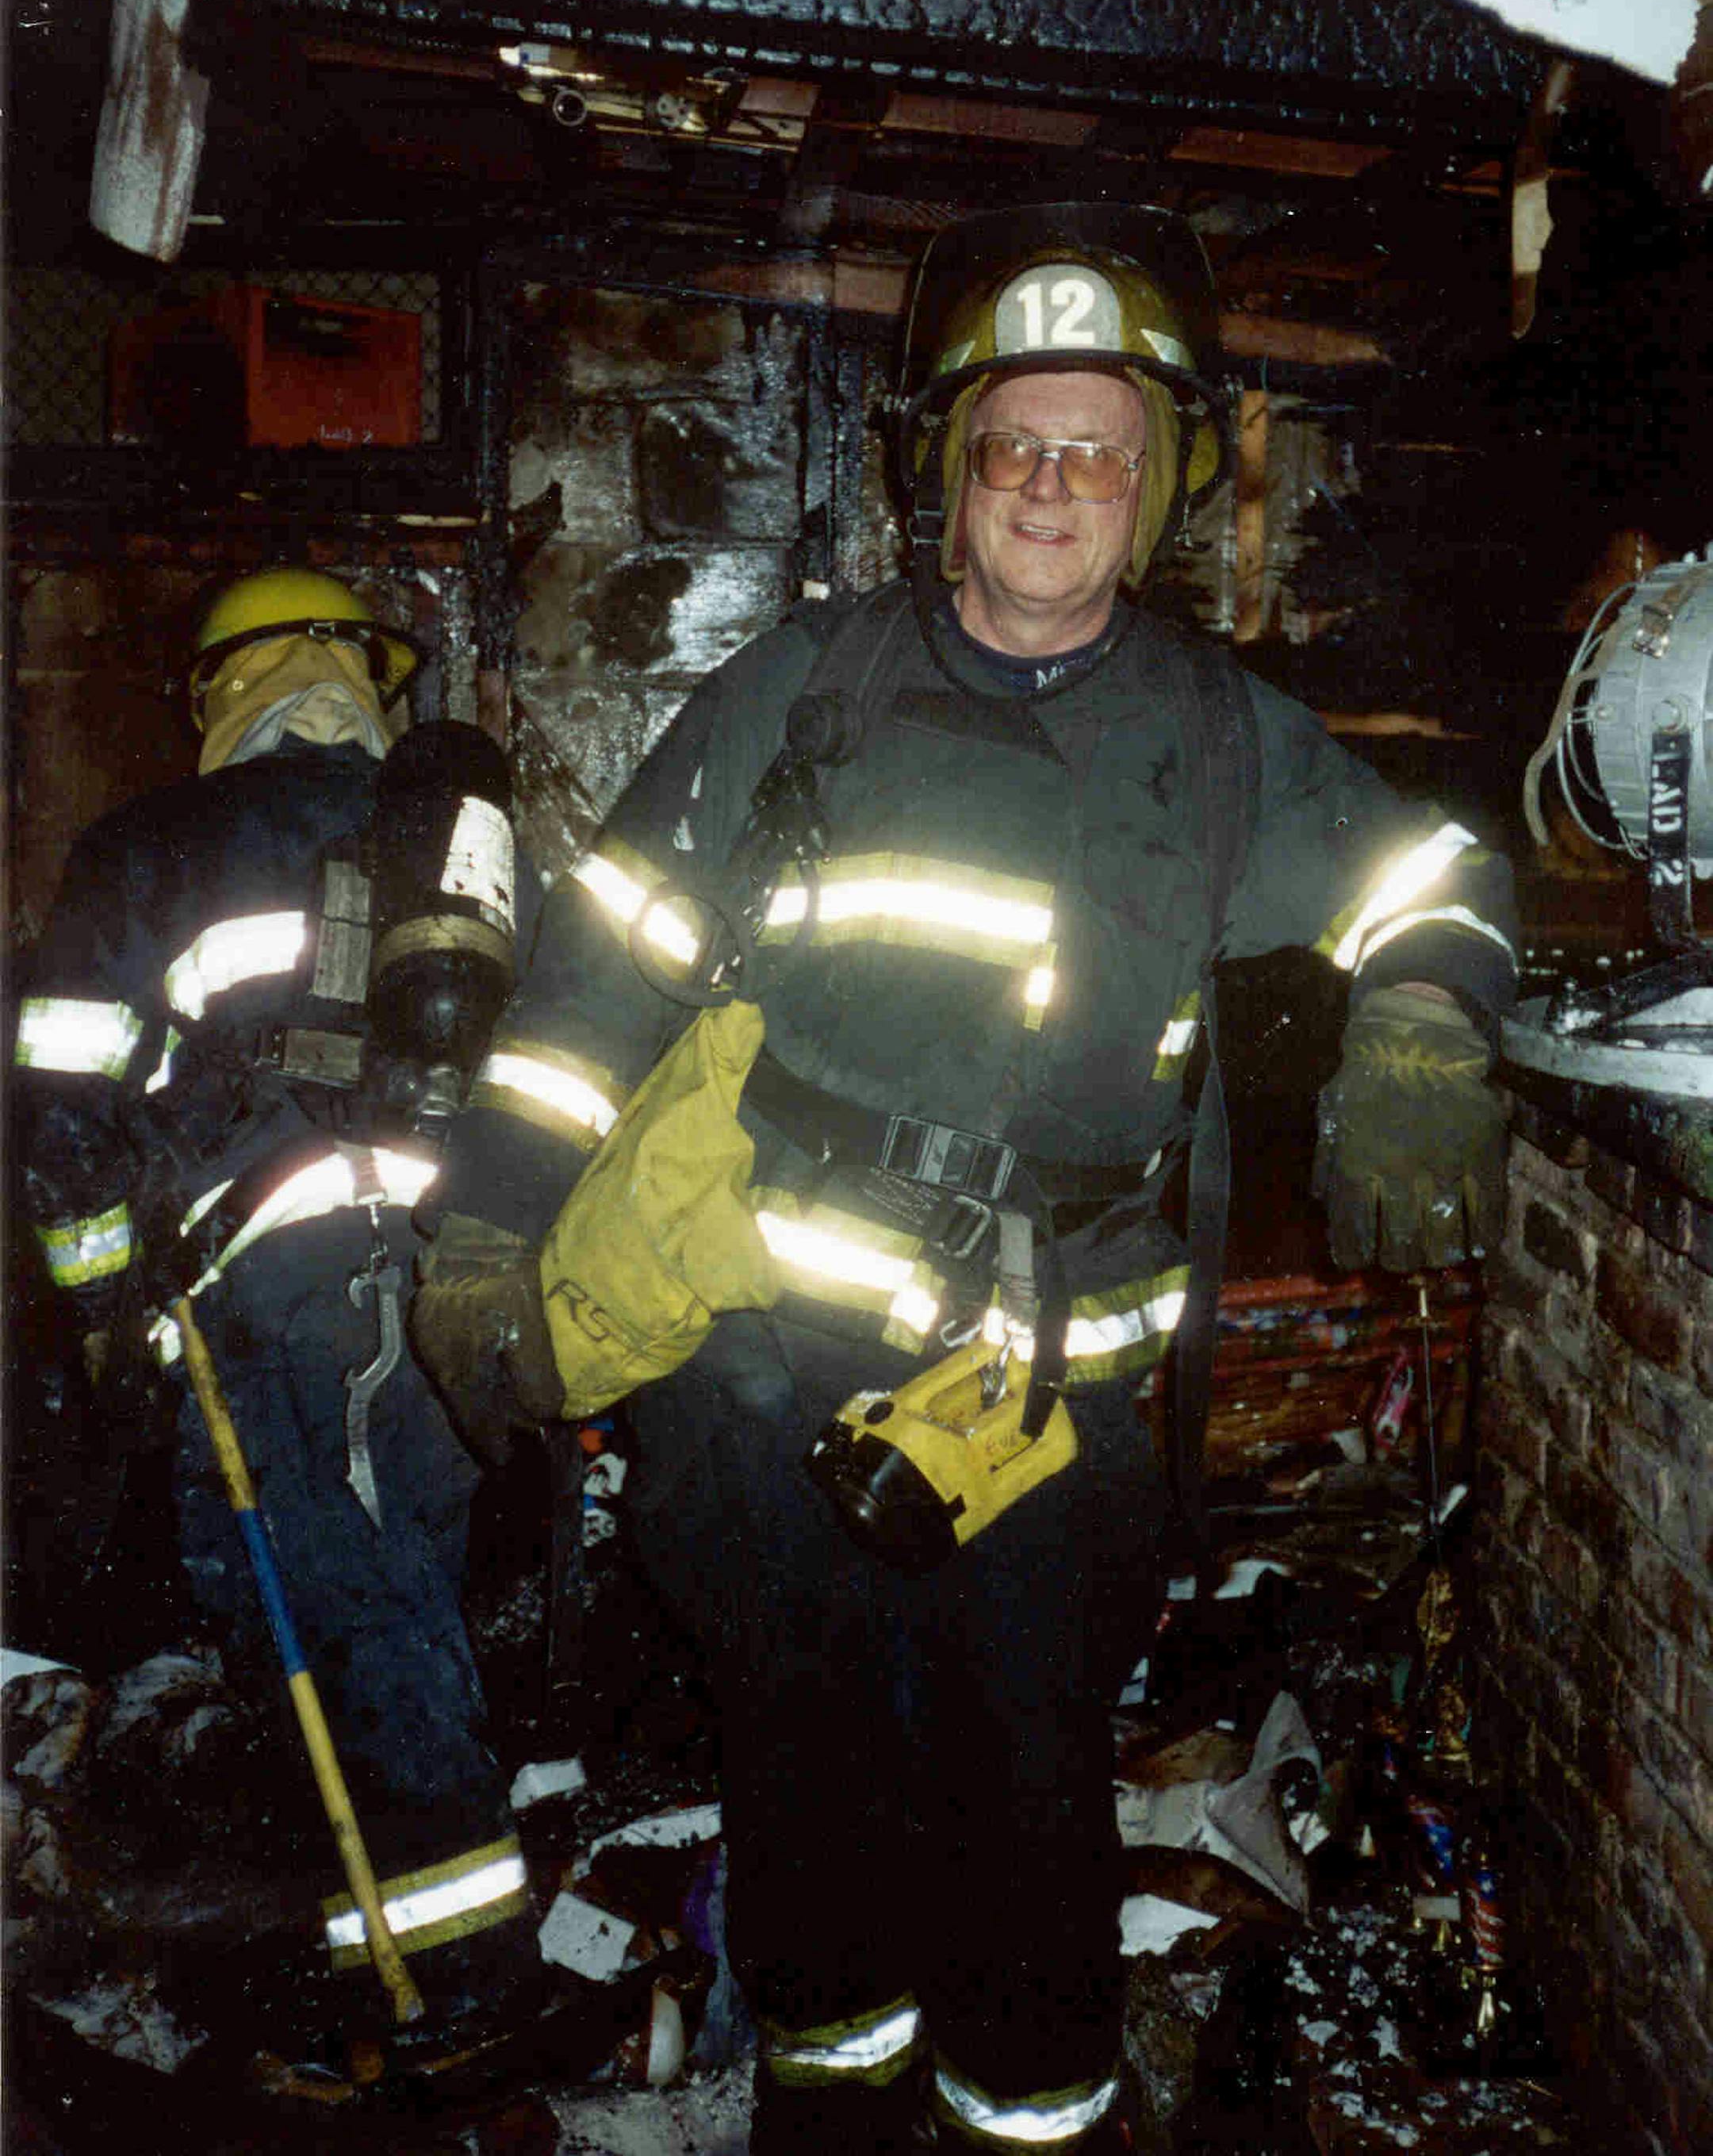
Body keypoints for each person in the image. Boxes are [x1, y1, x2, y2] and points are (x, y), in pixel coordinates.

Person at [412, 203, 1518, 2152]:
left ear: (1157, 488)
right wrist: (488, 1213)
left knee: (1029, 1831)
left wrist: (1423, 1022)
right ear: (949, 467)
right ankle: (831, 2115)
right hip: (768, 1390)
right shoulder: (799, 698)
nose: (1052, 488)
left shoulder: (1217, 737)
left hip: (1060, 1414)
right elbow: (599, 983)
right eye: (1016, 443)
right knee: (810, 1804)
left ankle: (1033, 2123)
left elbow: (1442, 878)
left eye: (1100, 453)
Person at [12, 568, 544, 2063]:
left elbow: (64, 1107)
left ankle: (460, 1994)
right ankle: (383, 1946)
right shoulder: (460, 854)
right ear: (361, 683)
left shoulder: (148, 850)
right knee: (397, 1608)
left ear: (219, 692)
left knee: (339, 1626)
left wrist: (104, 1302)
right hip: (446, 1287)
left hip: (274, 1296)